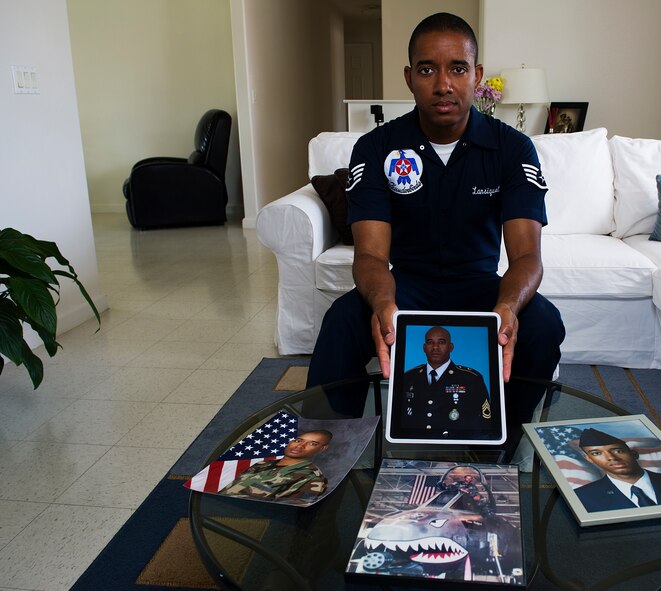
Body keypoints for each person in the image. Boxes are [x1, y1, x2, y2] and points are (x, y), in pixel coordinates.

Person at [305, 12, 565, 451]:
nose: (443, 84)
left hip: (480, 289)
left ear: (477, 76)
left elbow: (525, 258)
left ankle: (502, 435)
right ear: (409, 77)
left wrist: (507, 306)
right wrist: (383, 302)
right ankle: (328, 449)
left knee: (542, 324)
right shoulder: (376, 147)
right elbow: (370, 256)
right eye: (427, 69)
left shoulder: (512, 148)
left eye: (457, 68)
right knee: (341, 324)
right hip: (406, 288)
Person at [573, 428, 661, 512]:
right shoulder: (582, 497)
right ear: (589, 459)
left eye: (617, 450)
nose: (611, 458)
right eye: (597, 453)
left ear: (634, 454)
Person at [399, 326, 491, 432]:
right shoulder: (408, 377)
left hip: (457, 444)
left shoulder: (471, 379)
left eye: (441, 342)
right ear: (424, 348)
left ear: (451, 347)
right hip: (413, 444)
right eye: (430, 342)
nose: (435, 347)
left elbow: (485, 422)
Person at [219, 431, 331, 502]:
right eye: (298, 440)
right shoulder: (262, 464)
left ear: (322, 449)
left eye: (312, 444)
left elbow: (287, 513)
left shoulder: (312, 479)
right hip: (216, 502)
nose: (300, 445)